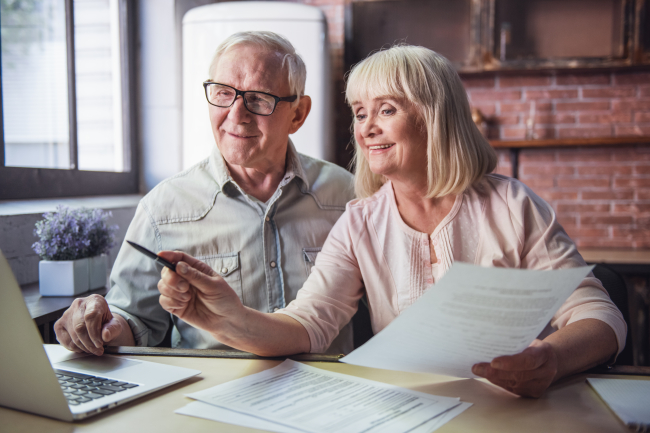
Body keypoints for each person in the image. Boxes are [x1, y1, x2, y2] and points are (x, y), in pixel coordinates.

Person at [155, 45, 626, 398]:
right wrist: (225, 318)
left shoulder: (513, 205)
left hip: (516, 411)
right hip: (410, 412)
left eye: (386, 109)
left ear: (435, 118)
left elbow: (600, 317)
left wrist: (553, 359)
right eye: (360, 113)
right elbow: (307, 327)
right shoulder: (360, 222)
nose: (366, 128)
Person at [53, 31, 355, 356]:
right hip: (214, 394)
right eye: (224, 93)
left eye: (258, 99)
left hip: (325, 395)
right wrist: (101, 325)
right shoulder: (163, 208)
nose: (236, 114)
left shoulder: (348, 196)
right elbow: (135, 321)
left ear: (297, 113)